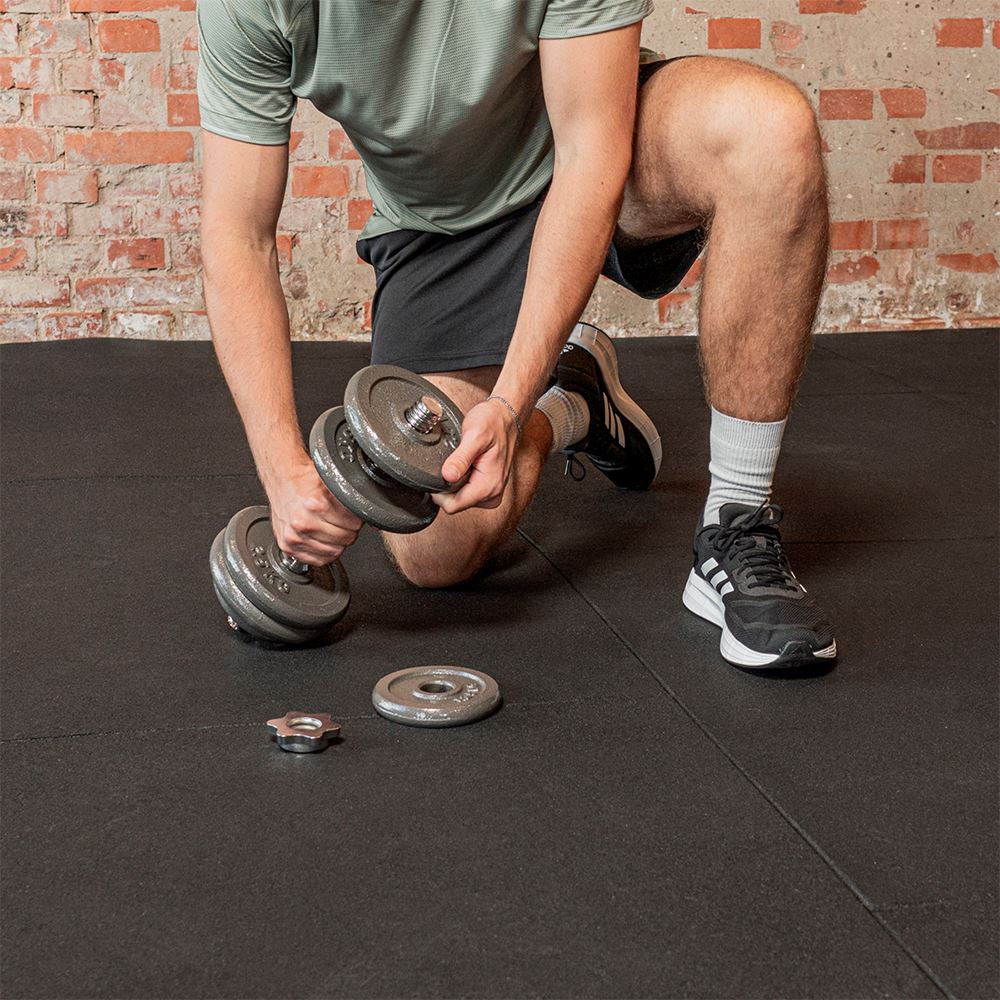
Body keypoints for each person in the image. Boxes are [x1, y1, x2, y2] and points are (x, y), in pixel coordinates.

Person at [197, 0, 837, 671]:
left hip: (594, 146)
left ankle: (737, 519)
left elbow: (590, 155)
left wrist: (507, 400)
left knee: (769, 131)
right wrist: (282, 468)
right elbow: (239, 235)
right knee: (435, 551)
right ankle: (571, 404)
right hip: (443, 226)